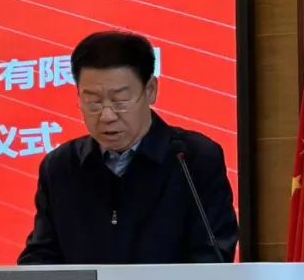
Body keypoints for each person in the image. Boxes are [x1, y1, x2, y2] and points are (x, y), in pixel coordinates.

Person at [17, 30, 238, 265]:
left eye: (120, 100)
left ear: (150, 90)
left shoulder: (192, 159)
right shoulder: (61, 166)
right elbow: (41, 256)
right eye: (93, 102)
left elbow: (211, 255)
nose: (107, 116)